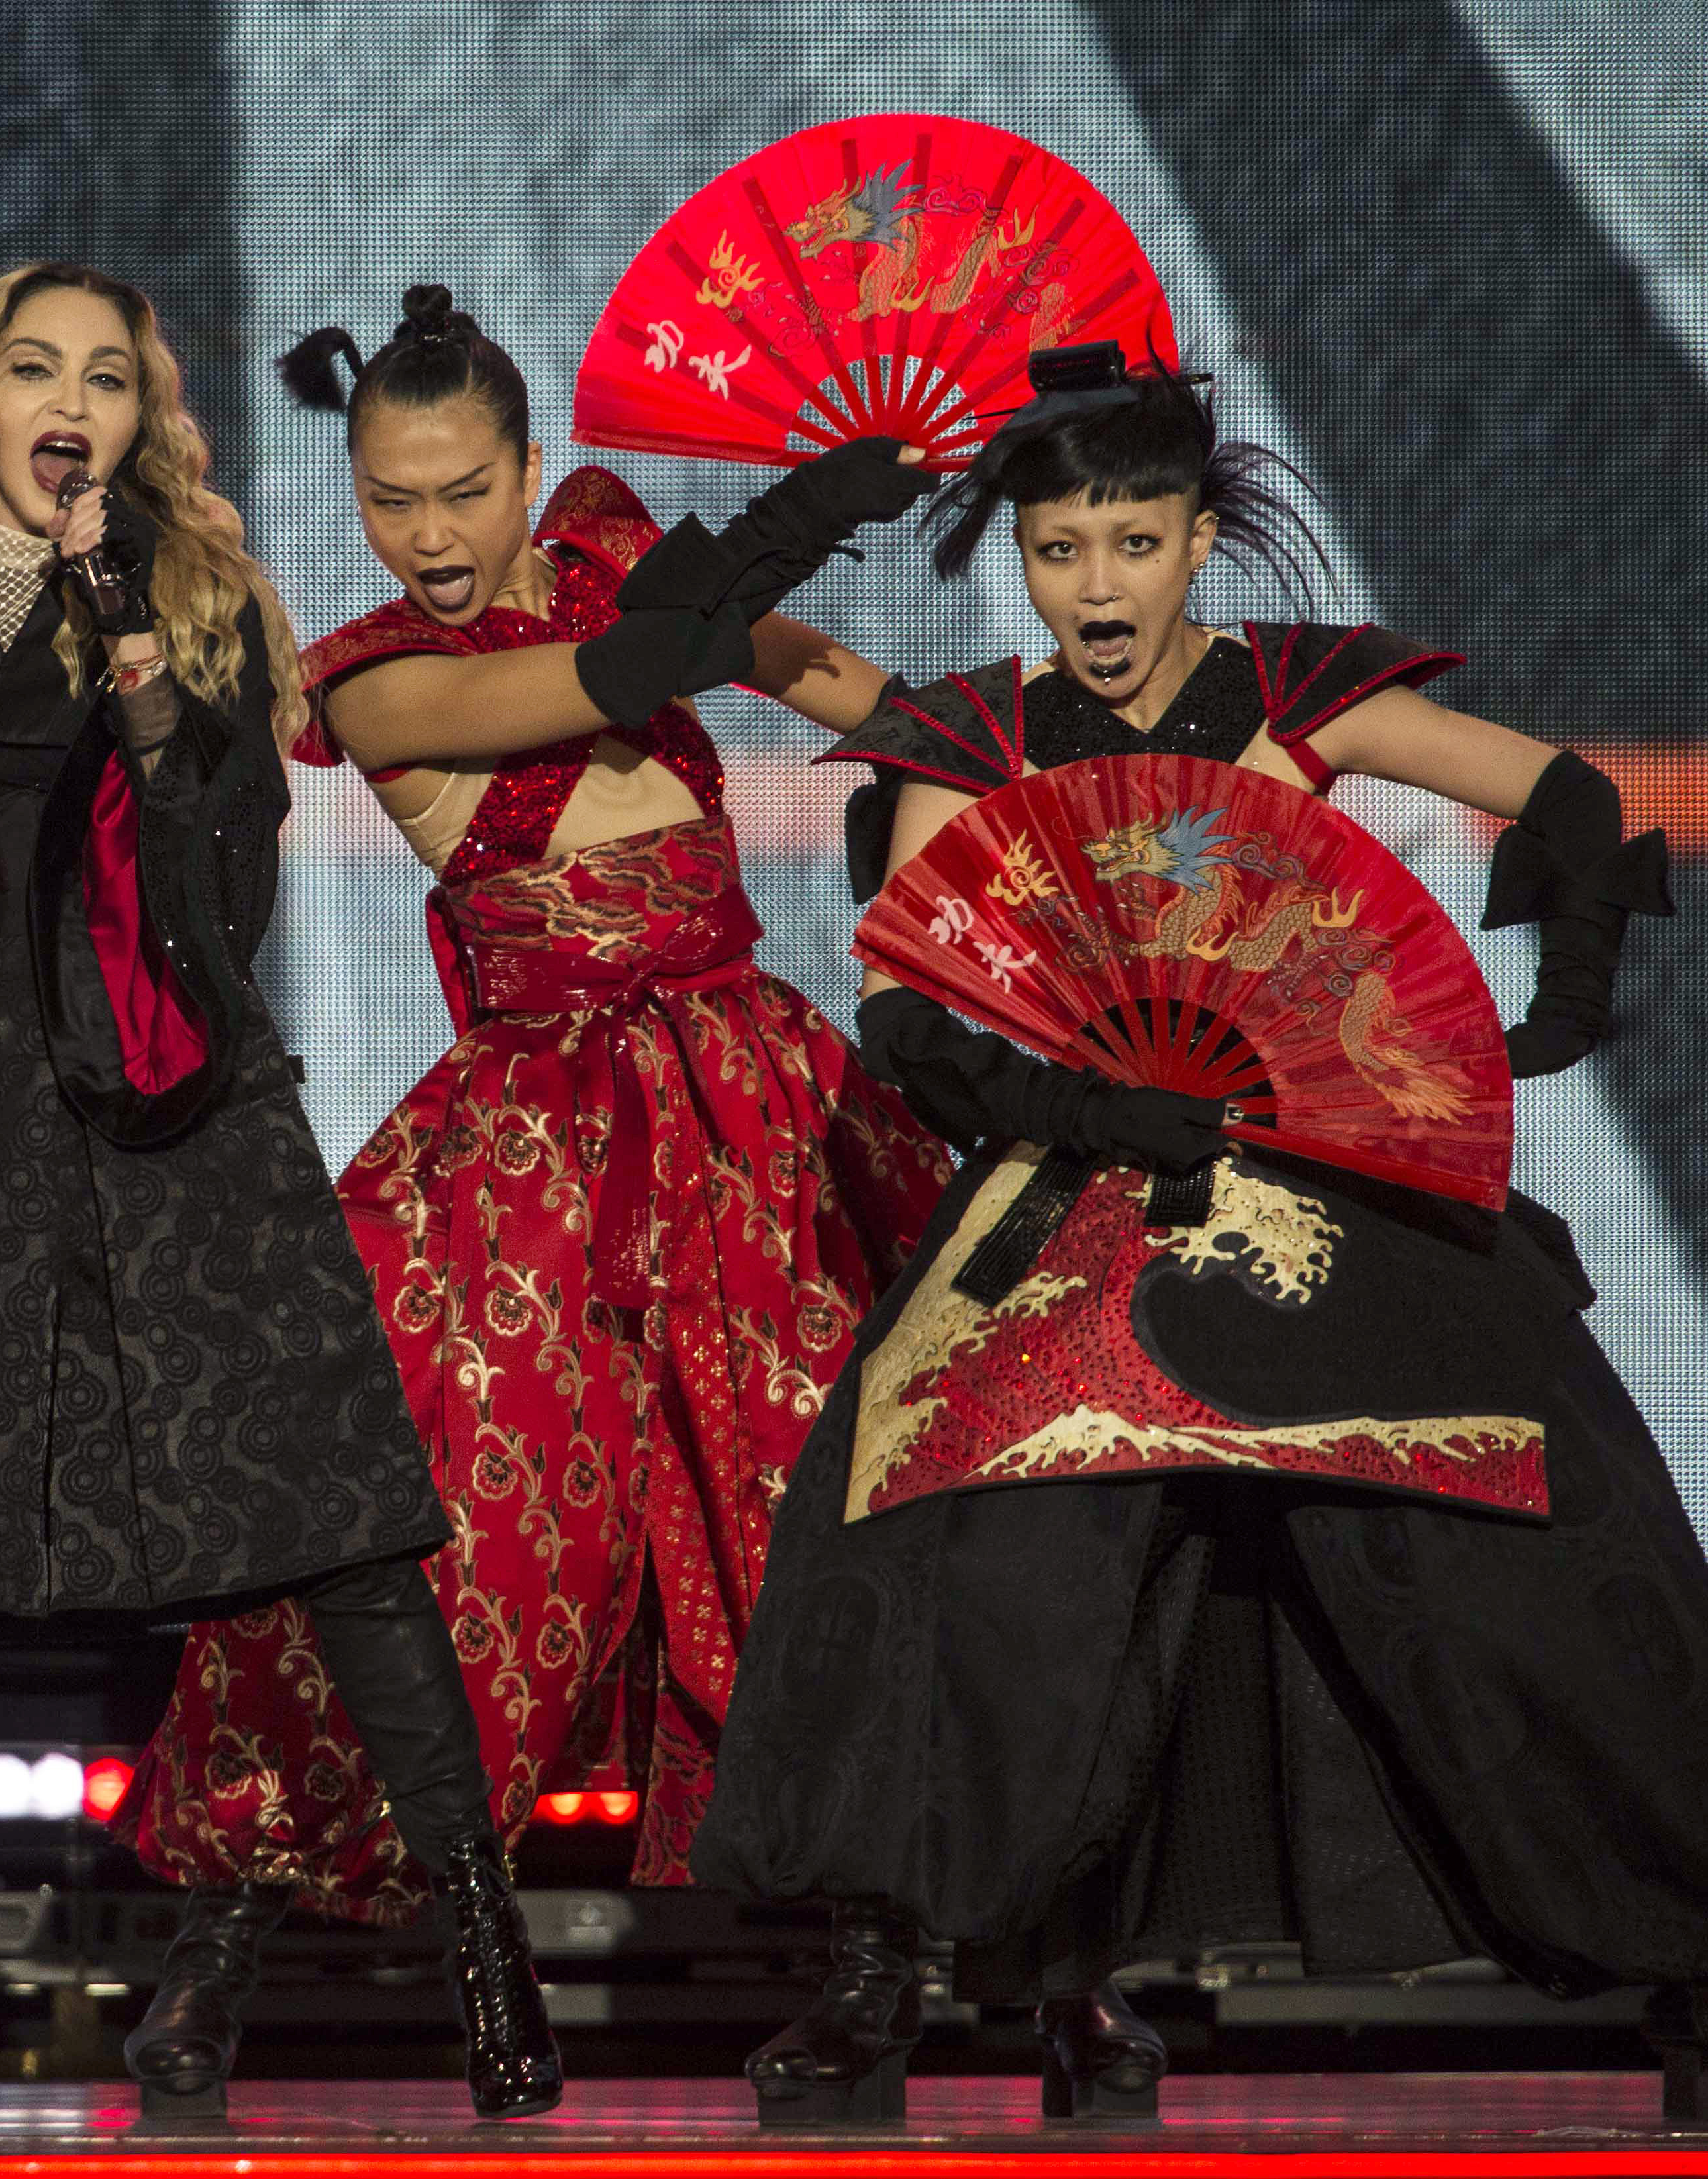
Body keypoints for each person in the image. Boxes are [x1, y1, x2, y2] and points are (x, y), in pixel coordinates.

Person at [691, 345, 1708, 2127]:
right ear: (1019, 549)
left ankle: (1690, 1956)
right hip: (1073, 1184)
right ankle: (904, 1980)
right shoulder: (977, 734)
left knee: (1514, 1537)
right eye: (1062, 549)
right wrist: (1092, 1114)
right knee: (981, 1549)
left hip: (1327, 1185)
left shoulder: (1298, 696)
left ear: (1196, 538)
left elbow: (1570, 795)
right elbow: (919, 1022)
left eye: (1136, 543)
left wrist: (1555, 998)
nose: (1098, 589)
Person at [0, 262, 553, 2127]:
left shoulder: (196, 603)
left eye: (110, 379)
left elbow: (226, 894)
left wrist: (135, 661)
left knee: (349, 1531)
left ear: (144, 422)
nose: (71, 402)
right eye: (33, 369)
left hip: (178, 1101)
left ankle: (491, 1962)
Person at [118, 285, 954, 2107]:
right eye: (392, 498)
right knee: (413, 1537)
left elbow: (771, 657)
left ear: (519, 472)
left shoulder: (606, 543)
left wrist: (944, 744)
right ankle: (223, 1936)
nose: (429, 533)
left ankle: (916, 1967)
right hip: (530, 1140)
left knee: (827, 1510)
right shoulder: (364, 678)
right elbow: (632, 674)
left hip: (755, 1102)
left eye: (462, 489)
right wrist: (805, 504)